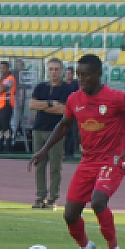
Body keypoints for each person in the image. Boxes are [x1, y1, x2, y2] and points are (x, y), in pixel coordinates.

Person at [28, 55, 125, 249]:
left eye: (86, 75)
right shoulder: (74, 99)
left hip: (112, 160)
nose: (82, 79)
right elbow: (64, 125)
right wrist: (44, 150)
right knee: (70, 214)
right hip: (87, 161)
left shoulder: (114, 97)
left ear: (98, 75)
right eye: (79, 75)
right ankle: (85, 246)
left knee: (98, 201)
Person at [28, 57, 76, 208]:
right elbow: (31, 104)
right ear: (47, 70)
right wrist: (49, 103)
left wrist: (42, 106)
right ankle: (40, 196)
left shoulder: (67, 89)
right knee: (39, 165)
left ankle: (53, 198)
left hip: (57, 131)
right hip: (39, 129)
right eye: (51, 69)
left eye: (56, 69)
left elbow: (63, 109)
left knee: (55, 166)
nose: (53, 72)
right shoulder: (40, 87)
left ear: (61, 71)